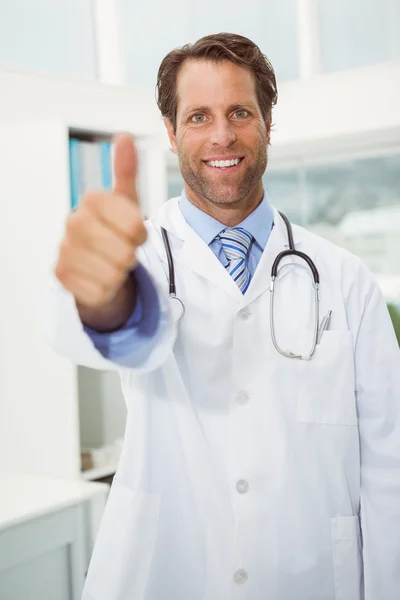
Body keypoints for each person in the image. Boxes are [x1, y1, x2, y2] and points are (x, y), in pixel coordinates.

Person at [44, 33, 400, 600]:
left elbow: (390, 468)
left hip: (308, 577)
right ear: (170, 131)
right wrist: (104, 297)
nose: (222, 135)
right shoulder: (142, 261)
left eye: (239, 112)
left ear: (267, 122)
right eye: (198, 116)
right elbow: (117, 327)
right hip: (168, 573)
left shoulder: (347, 280)